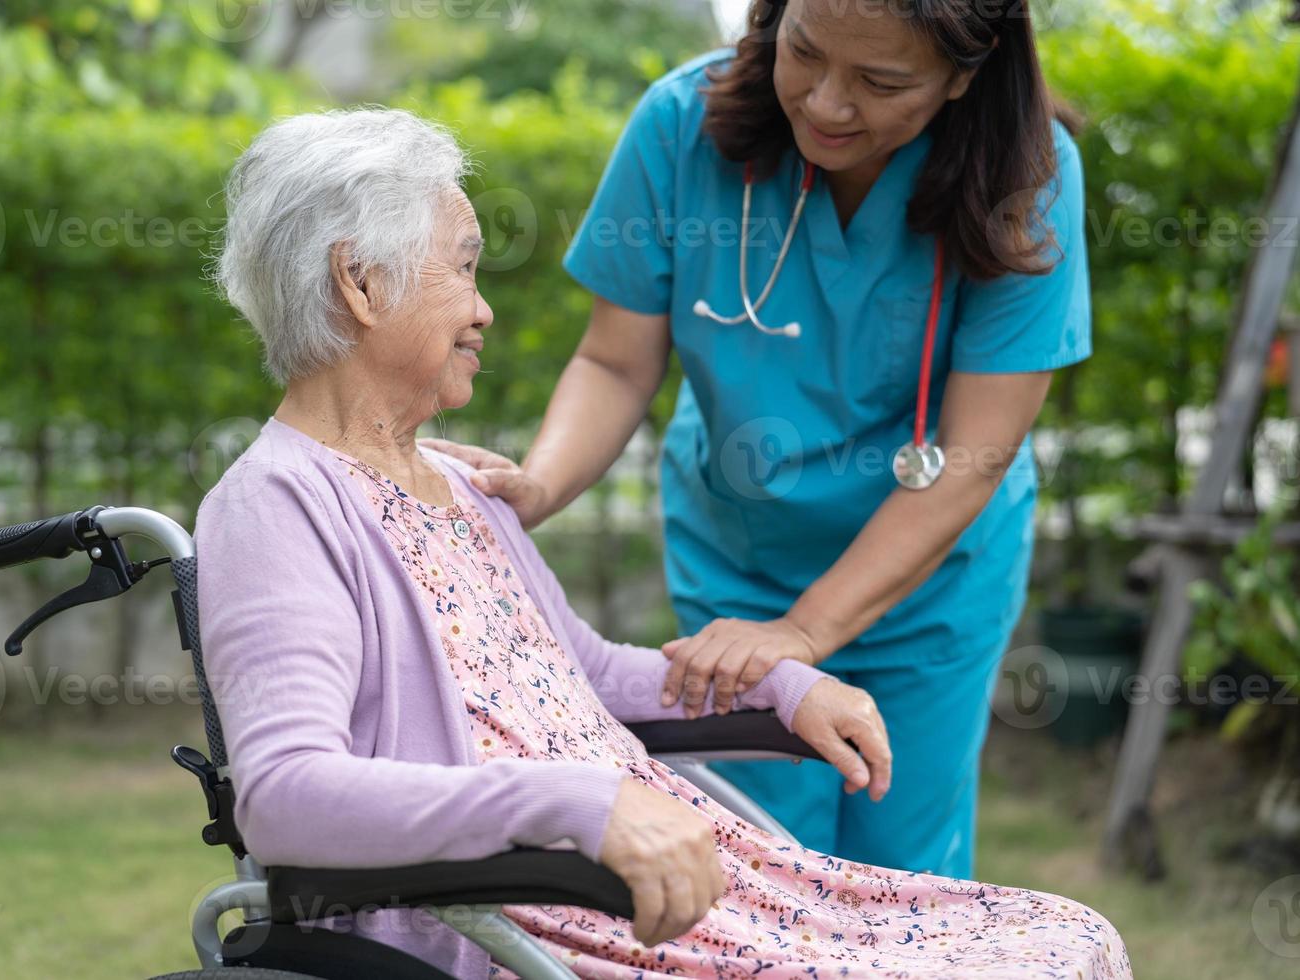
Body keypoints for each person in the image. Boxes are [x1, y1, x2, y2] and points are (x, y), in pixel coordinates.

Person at [195, 107, 1128, 979]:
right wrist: (574, 804)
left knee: (1067, 936)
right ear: (360, 283)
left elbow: (588, 678)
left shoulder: (458, 489)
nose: (484, 311)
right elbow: (284, 798)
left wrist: (785, 683)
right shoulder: (276, 506)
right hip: (549, 917)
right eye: (465, 269)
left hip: (686, 892)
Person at [425, 0, 1091, 879]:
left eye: (881, 82)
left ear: (967, 72)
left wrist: (807, 632)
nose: (824, 103)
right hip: (742, 560)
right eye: (803, 52)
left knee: (906, 862)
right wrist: (542, 484)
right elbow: (618, 364)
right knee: (768, 861)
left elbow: (975, 455)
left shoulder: (1029, 175)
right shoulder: (679, 126)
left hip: (929, 574)